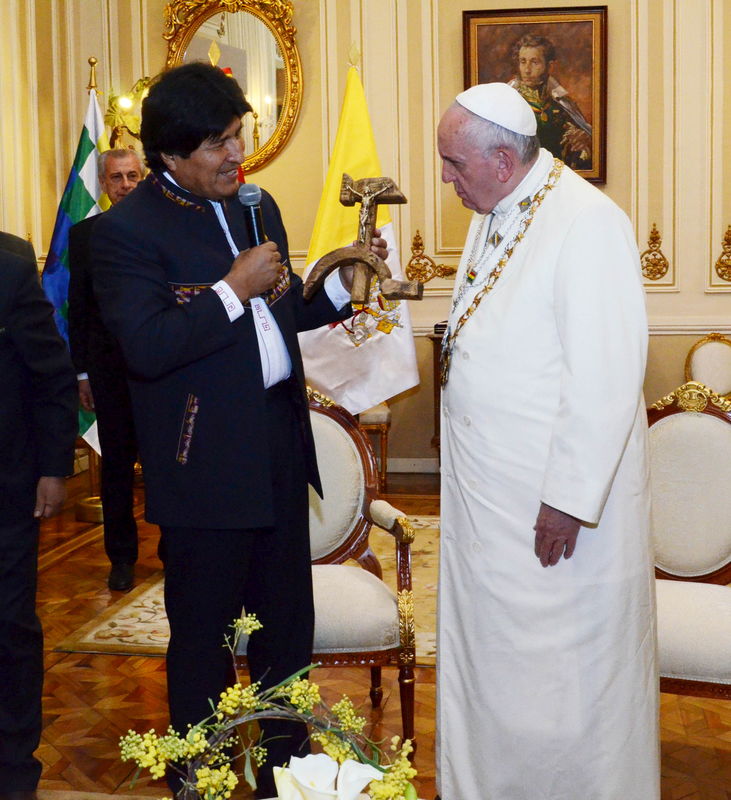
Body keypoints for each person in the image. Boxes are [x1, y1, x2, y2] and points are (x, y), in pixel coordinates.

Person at [92, 62, 384, 798]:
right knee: (205, 637)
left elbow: (282, 313)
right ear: (170, 155)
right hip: (201, 465)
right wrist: (230, 289)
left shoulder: (260, 207)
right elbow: (148, 346)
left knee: (286, 631)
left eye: (238, 136)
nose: (235, 155)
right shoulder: (122, 233)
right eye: (218, 143)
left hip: (280, 450)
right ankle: (201, 771)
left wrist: (344, 289)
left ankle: (289, 770)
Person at [435, 82, 658, 799]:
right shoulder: (493, 208)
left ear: (502, 158)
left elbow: (606, 375)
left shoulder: (588, 222)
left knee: (562, 687)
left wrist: (565, 499)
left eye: (453, 163)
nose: (444, 177)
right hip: (488, 511)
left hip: (552, 519)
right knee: (494, 674)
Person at [0, 235, 77, 799]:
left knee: (8, 628)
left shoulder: (8, 272)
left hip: (6, 488)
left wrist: (54, 466)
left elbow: (52, 375)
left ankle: (14, 769)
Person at [68, 148, 144, 592]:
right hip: (108, 372)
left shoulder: (166, 229)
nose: (126, 184)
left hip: (161, 368)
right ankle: (122, 557)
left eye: (133, 175)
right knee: (116, 467)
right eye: (117, 177)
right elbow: (78, 309)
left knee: (163, 465)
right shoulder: (85, 237)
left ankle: (174, 552)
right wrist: (82, 373)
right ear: (103, 185)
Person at [507, 33, 592, 170]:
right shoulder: (507, 102)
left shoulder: (561, 103)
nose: (527, 70)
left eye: (534, 62)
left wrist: (581, 141)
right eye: (523, 62)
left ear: (550, 66)